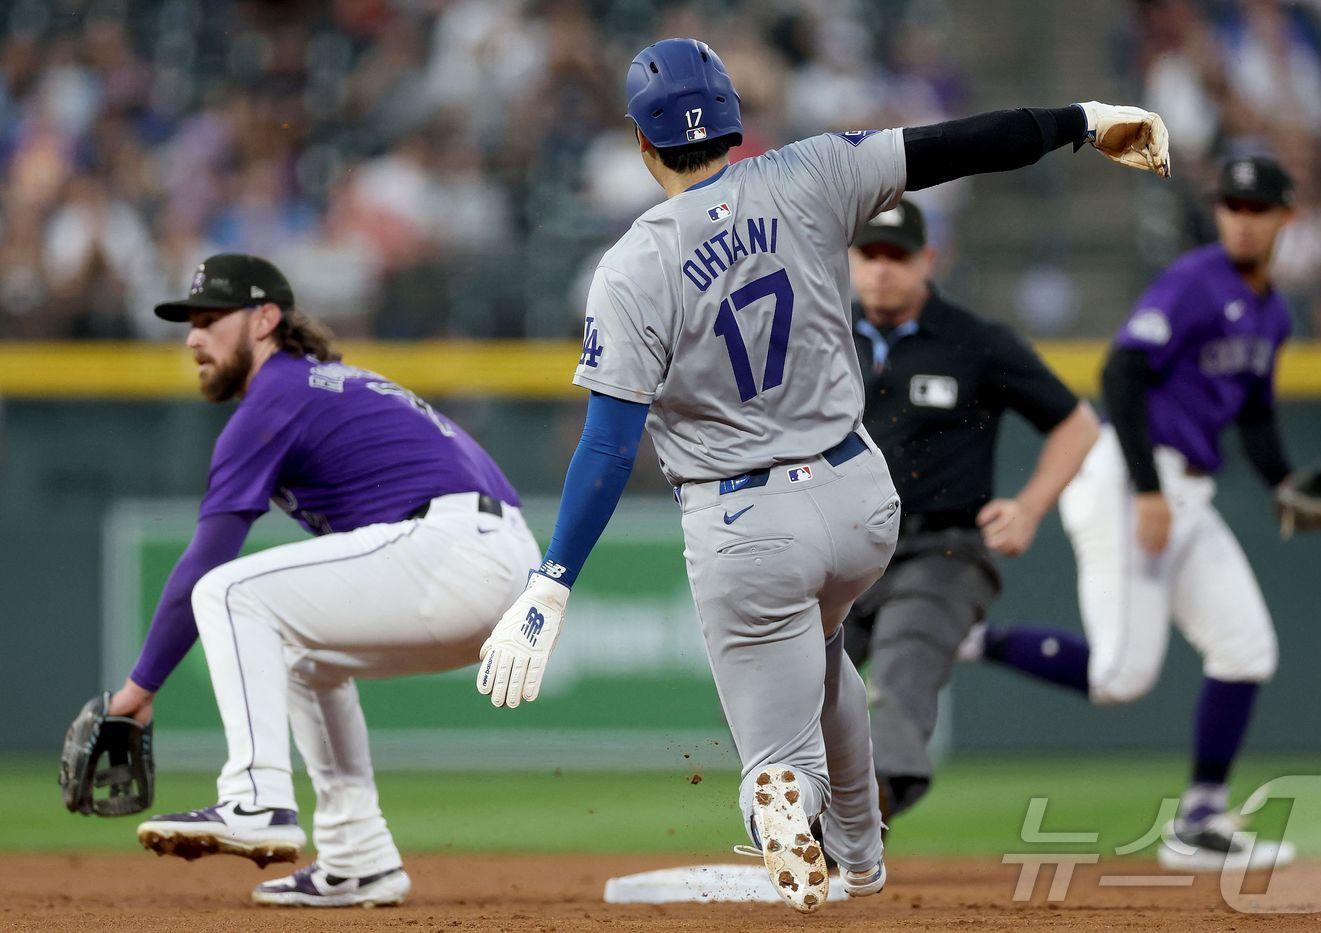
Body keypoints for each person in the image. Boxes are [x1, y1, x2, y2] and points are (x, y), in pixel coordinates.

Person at [471, 37, 1169, 912]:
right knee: (829, 644)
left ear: (642, 147)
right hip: (857, 498)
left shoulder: (630, 267)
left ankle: (783, 804)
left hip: (744, 521)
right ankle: (860, 854)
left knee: (776, 760)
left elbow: (609, 447)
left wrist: (553, 581)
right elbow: (959, 144)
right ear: (734, 120)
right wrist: (1084, 119)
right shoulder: (811, 173)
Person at [107, 253, 539, 907]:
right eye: (188, 323)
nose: (193, 337)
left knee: (228, 591)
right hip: (492, 560)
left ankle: (255, 800)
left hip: (453, 551)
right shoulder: (322, 384)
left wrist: (137, 689)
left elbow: (207, 559)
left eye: (209, 318)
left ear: (265, 319)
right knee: (305, 657)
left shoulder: (274, 397)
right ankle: (358, 857)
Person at [963, 156, 1312, 868]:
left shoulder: (1274, 311)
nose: (1241, 219)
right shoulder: (1195, 281)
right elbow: (1120, 371)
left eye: (1256, 207)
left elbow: (1257, 415)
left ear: (1285, 217)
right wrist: (1149, 489)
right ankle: (964, 637)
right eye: (1231, 206)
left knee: (1247, 649)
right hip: (1131, 479)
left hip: (1188, 493)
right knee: (1120, 677)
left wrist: (1286, 481)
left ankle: (1200, 821)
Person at [842, 198, 1100, 822]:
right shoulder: (819, 340)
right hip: (841, 553)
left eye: (896, 256)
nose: (881, 269)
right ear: (848, 260)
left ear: (928, 260)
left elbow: (1078, 424)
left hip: (942, 550)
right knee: (794, 685)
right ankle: (801, 814)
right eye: (869, 254)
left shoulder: (975, 343)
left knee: (903, 670)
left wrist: (1031, 507)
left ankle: (866, 813)